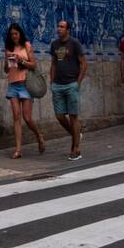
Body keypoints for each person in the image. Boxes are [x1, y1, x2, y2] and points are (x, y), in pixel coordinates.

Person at [4, 21, 45, 159]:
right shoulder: (8, 48)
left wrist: (21, 60)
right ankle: (18, 150)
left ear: (20, 33)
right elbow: (6, 70)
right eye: (11, 35)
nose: (14, 36)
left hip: (26, 85)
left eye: (15, 34)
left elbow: (33, 65)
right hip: (13, 84)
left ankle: (39, 135)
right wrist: (7, 62)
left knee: (27, 118)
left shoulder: (26, 45)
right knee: (16, 116)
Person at [49, 18, 86, 160]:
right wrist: (51, 82)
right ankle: (76, 134)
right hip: (57, 85)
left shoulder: (74, 44)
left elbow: (83, 64)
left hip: (71, 84)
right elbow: (53, 64)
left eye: (62, 27)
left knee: (73, 116)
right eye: (58, 26)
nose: (59, 29)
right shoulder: (54, 45)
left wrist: (78, 82)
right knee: (59, 116)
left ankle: (76, 149)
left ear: (68, 30)